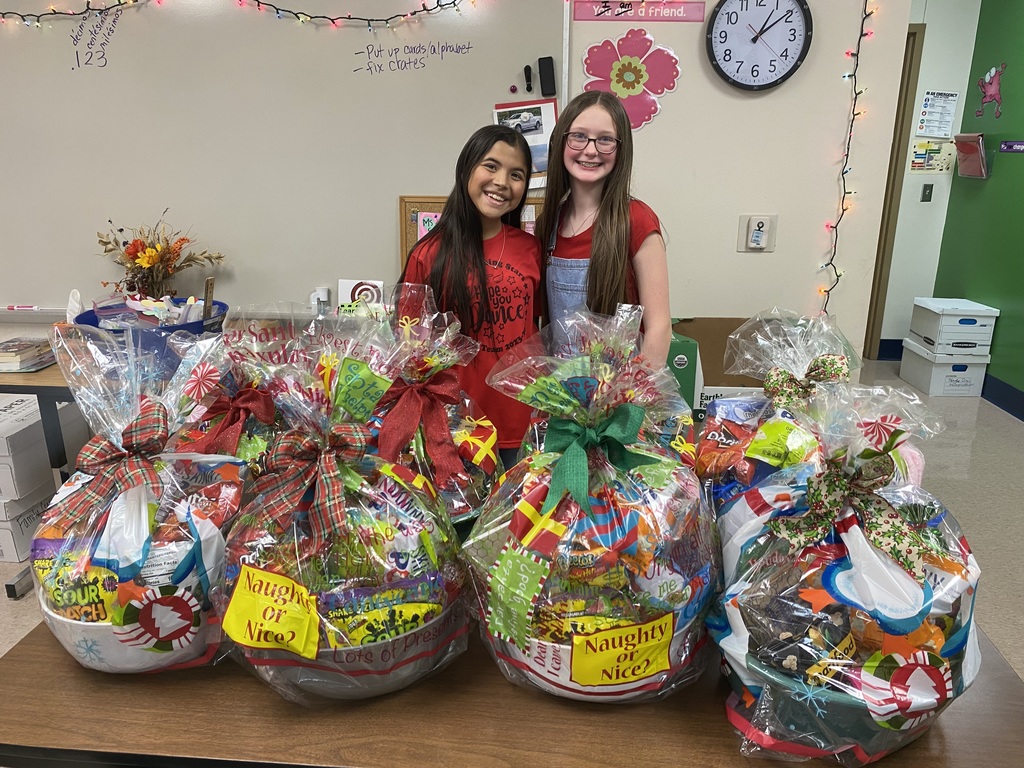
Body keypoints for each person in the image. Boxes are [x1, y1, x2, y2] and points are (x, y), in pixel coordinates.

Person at [400, 124, 542, 469]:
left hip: (521, 426)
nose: (502, 182)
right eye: (490, 166)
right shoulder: (428, 254)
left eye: (516, 174)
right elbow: (408, 350)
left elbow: (538, 333)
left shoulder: (530, 249)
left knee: (518, 522)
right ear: (467, 167)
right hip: (454, 428)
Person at [536, 91, 672, 366]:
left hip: (621, 396)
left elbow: (659, 328)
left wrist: (635, 394)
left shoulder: (636, 219)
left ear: (621, 149)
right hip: (563, 395)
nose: (590, 150)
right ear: (561, 141)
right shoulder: (547, 224)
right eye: (579, 136)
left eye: (605, 140)